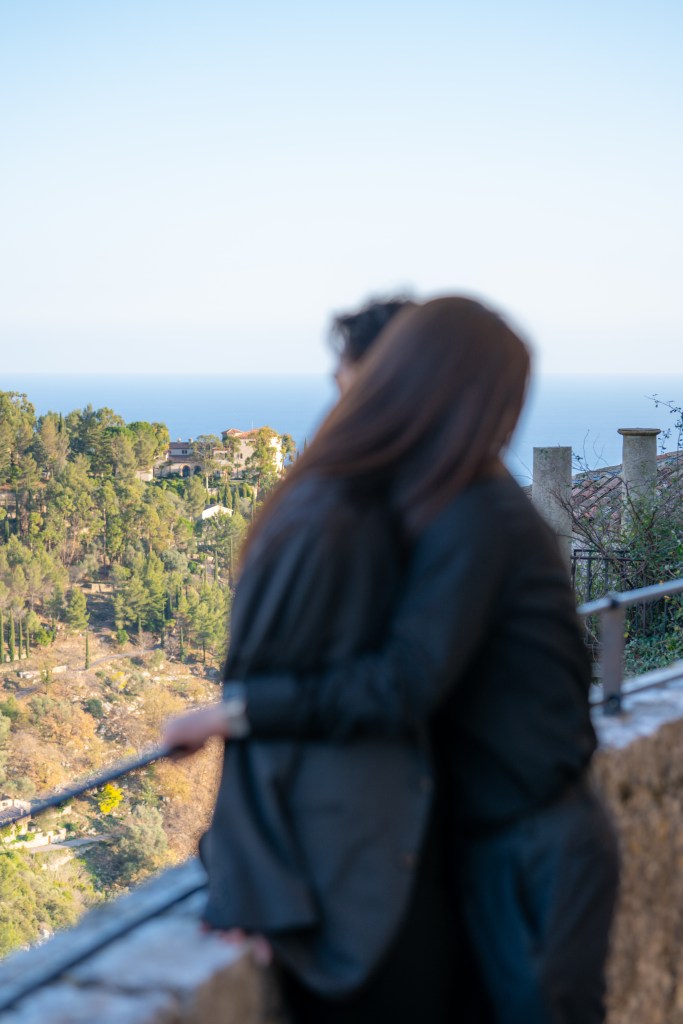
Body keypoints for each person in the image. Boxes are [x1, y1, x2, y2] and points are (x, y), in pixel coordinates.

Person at [164, 296, 619, 1024]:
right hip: (506, 843)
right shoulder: (437, 504)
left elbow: (402, 683)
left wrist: (240, 714)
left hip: (531, 850)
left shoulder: (474, 514)